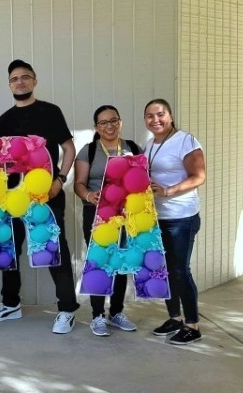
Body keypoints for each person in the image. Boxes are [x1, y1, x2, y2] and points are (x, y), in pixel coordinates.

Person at [0, 60, 80, 334]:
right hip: (13, 197)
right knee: (9, 249)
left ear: (34, 81)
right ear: (9, 84)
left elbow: (69, 148)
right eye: (15, 78)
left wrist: (60, 180)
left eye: (26, 77)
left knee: (53, 250)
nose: (20, 82)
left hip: (46, 195)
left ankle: (66, 309)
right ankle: (10, 304)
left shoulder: (51, 111)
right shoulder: (5, 119)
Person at [73, 105, 142, 336]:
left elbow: (142, 180)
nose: (109, 126)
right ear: (96, 127)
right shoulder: (89, 151)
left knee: (121, 263)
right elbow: (79, 185)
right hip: (97, 214)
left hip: (126, 215)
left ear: (120, 123)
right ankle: (97, 315)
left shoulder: (132, 148)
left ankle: (116, 312)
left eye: (113, 121)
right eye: (103, 122)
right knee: (99, 262)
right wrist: (88, 195)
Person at [143, 98, 206, 345]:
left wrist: (169, 191)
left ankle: (193, 325)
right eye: (149, 116)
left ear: (170, 116)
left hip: (182, 217)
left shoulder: (186, 141)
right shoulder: (148, 145)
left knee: (180, 271)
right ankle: (175, 318)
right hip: (158, 217)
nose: (155, 120)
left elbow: (199, 176)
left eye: (160, 114)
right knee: (165, 271)